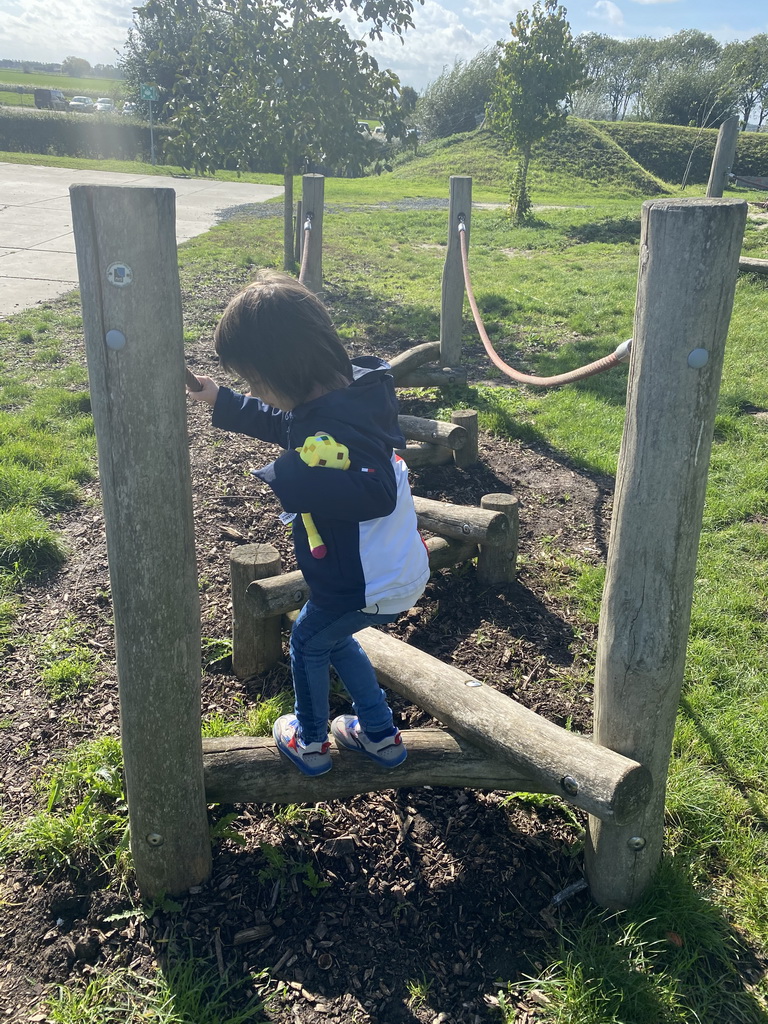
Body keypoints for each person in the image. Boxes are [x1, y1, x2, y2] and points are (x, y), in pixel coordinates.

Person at [187, 270, 430, 777]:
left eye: (256, 382)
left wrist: (296, 478)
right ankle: (380, 736)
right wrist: (223, 399)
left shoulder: (333, 425)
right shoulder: (351, 398)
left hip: (361, 583)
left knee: (306, 641)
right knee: (334, 640)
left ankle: (311, 741)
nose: (258, 391)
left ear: (285, 369)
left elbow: (378, 492)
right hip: (391, 571)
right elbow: (288, 425)